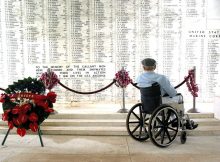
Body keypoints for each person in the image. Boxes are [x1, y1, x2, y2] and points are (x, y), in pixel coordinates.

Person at [136, 58, 198, 129]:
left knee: (170, 100)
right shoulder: (161, 77)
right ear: (155, 67)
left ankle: (174, 119)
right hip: (159, 102)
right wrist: (174, 94)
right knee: (179, 98)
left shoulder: (139, 78)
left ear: (143, 67)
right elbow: (171, 92)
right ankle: (177, 121)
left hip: (146, 103)